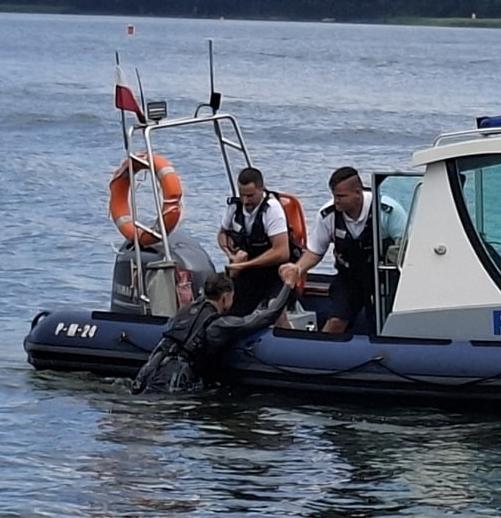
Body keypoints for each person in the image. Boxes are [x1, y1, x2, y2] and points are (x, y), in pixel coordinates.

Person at [133, 265, 301, 393]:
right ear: (226, 297)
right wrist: (288, 285)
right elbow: (267, 316)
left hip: (149, 370)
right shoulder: (219, 326)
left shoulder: (185, 312)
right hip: (175, 380)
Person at [293, 166, 404, 335]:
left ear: (358, 194)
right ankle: (322, 355)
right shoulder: (328, 214)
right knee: (336, 321)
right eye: (334, 196)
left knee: (380, 323)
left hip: (382, 278)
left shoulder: (387, 211)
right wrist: (297, 269)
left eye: (340, 196)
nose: (336, 201)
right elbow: (315, 251)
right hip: (349, 277)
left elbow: (407, 247)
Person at [216, 166, 292, 320]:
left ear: (261, 189)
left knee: (274, 308)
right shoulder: (234, 207)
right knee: (228, 308)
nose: (245, 201)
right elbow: (222, 233)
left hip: (275, 273)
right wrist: (230, 254)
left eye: (250, 196)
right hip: (246, 273)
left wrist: (244, 265)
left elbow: (282, 252)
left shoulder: (272, 209)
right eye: (242, 195)